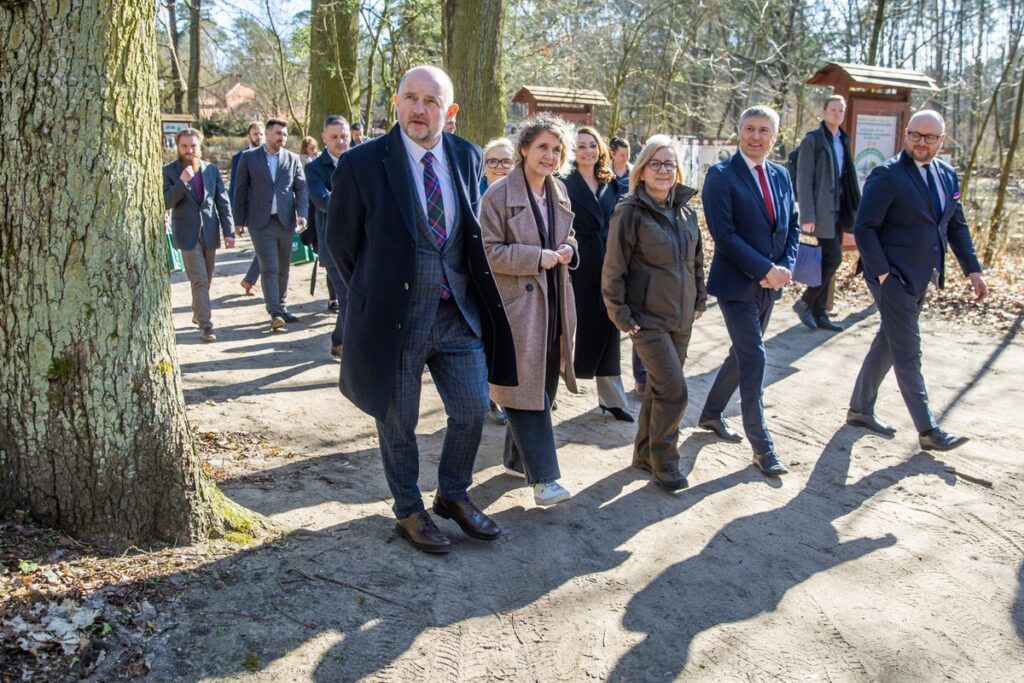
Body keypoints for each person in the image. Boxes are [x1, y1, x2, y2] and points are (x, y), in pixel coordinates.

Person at [325, 65, 516, 553]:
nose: (419, 108)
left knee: (473, 409)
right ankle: (408, 510)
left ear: (448, 112)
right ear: (396, 102)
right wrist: (373, 300)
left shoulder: (468, 156)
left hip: (457, 314)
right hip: (396, 322)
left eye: (431, 101)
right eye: (410, 97)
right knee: (398, 422)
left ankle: (452, 494)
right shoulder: (362, 164)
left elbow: (468, 234)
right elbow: (342, 247)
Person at [848, 109, 987, 451]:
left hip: (923, 276)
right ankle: (928, 430)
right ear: (906, 134)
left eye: (929, 138)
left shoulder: (947, 175)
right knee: (909, 350)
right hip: (890, 277)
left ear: (942, 140)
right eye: (915, 135)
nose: (921, 143)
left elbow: (955, 225)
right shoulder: (887, 174)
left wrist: (973, 270)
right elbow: (864, 228)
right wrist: (883, 274)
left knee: (889, 340)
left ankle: (859, 409)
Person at [481, 114, 578, 506]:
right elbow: (488, 252)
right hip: (518, 309)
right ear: (524, 149)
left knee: (542, 387)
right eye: (543, 147)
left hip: (554, 303)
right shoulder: (498, 196)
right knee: (525, 392)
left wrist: (570, 250)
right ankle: (545, 480)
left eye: (557, 150)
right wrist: (536, 257)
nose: (550, 156)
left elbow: (568, 236)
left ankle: (515, 461)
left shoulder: (559, 193)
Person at [697, 105, 799, 477]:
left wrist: (784, 267)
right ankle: (763, 447)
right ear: (739, 132)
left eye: (764, 130)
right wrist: (763, 269)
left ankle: (710, 414)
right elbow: (724, 235)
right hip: (737, 284)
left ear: (775, 136)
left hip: (771, 285)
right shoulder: (721, 175)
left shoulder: (782, 175)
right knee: (754, 357)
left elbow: (794, 226)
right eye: (749, 129)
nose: (756, 137)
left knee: (742, 355)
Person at [602, 135, 706, 490]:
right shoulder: (629, 211)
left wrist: (700, 300)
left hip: (681, 318)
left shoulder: (688, 209)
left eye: (670, 164)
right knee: (674, 391)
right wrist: (621, 316)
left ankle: (644, 453)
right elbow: (613, 269)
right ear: (642, 169)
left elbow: (696, 260)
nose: (664, 171)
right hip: (646, 321)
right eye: (656, 164)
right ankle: (665, 461)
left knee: (659, 391)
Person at [563, 126, 631, 421]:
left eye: (592, 145)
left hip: (607, 258)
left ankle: (612, 399)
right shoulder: (561, 181)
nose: (588, 151)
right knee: (563, 326)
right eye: (581, 146)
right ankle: (547, 393)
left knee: (609, 325)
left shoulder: (612, 183)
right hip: (575, 259)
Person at [232, 117, 309, 331]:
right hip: (260, 221)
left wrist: (302, 213)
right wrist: (238, 220)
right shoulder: (249, 158)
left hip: (285, 220)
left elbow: (301, 188)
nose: (282, 138)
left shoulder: (292, 159)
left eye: (285, 134)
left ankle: (282, 308)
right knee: (269, 267)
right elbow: (240, 189)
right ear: (266, 133)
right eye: (278, 134)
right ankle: (274, 310)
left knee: (284, 268)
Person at [793, 94, 861, 332]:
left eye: (841, 110)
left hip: (839, 209)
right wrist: (807, 216)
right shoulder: (814, 140)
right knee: (833, 257)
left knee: (828, 259)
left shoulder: (843, 139)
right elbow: (804, 178)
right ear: (824, 112)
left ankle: (819, 312)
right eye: (833, 110)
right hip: (821, 211)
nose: (837, 114)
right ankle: (805, 302)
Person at [163, 128, 235, 343]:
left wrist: (229, 232)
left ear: (199, 147)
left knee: (206, 280)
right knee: (200, 280)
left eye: (193, 146)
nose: (189, 150)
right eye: (184, 146)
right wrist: (182, 182)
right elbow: (166, 202)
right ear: (178, 147)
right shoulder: (169, 171)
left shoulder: (211, 170)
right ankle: (206, 325)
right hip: (186, 234)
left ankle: (198, 313)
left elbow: (222, 202)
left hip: (210, 231)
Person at [305, 115, 351, 360]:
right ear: (323, 138)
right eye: (334, 137)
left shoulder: (360, 160)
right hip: (331, 244)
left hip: (361, 243)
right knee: (347, 296)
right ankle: (340, 342)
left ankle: (342, 340)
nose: (340, 141)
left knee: (358, 294)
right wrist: (355, 199)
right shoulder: (314, 168)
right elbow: (322, 200)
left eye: (344, 136)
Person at [479, 137, 516, 426]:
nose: (499, 166)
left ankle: (501, 397)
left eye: (506, 161)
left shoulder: (522, 197)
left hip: (512, 283)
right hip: (479, 280)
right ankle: (489, 397)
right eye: (493, 161)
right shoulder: (472, 196)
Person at [230, 121, 265, 297]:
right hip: (252, 211)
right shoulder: (240, 157)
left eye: (261, 134)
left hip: (273, 210)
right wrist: (237, 219)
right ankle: (251, 281)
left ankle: (249, 280)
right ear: (249, 136)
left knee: (268, 248)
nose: (259, 137)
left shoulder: (271, 153)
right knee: (264, 248)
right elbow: (236, 188)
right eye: (255, 134)